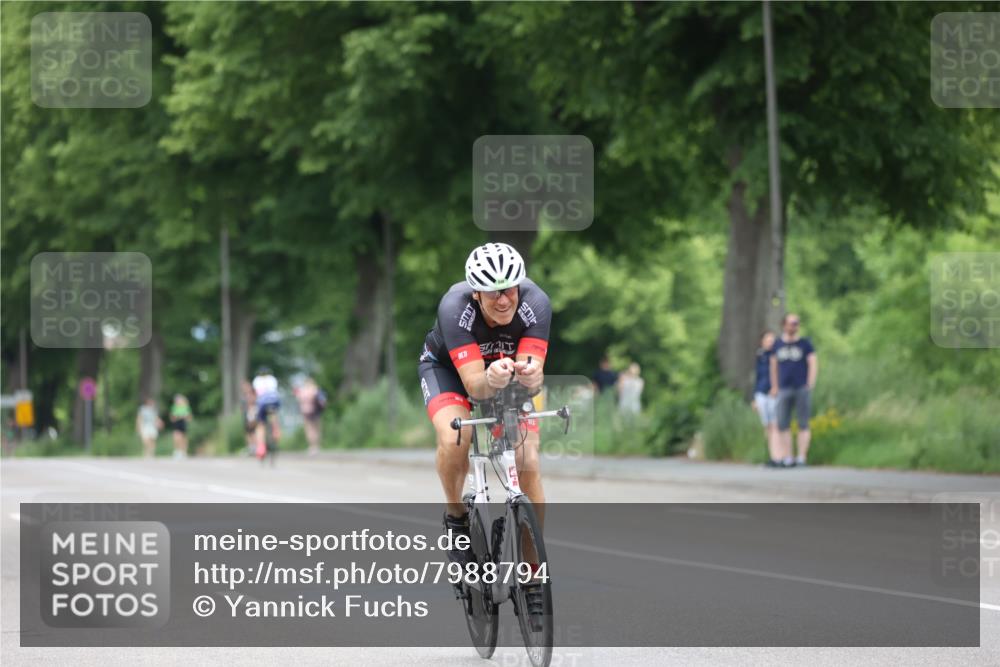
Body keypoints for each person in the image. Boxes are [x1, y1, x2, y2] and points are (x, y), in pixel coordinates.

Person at [418, 243, 550, 564]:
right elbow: (475, 386)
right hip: (450, 371)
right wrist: (490, 378)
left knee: (526, 457)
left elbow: (532, 375)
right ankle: (456, 516)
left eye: (508, 290)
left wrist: (532, 377)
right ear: (476, 294)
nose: (503, 300)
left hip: (505, 371)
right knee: (455, 438)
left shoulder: (536, 303)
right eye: (492, 293)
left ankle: (532, 572)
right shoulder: (454, 308)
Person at [769, 313, 818, 467]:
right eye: (791, 323)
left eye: (796, 323)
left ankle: (801, 457)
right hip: (784, 388)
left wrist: (810, 383)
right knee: (783, 424)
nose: (794, 326)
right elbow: (773, 366)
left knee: (803, 422)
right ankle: (788, 456)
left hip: (801, 387)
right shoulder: (777, 344)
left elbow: (813, 362)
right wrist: (775, 386)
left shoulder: (805, 344)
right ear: (784, 325)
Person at [752, 331, 780, 467]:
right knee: (766, 425)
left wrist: (776, 387)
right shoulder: (760, 355)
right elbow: (757, 377)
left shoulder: (777, 356)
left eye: (772, 341)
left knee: (775, 424)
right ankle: (770, 455)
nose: (770, 343)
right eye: (767, 340)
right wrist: (754, 398)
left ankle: (777, 456)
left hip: (773, 393)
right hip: (761, 392)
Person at [252, 367, 281, 459]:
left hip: (263, 402)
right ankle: (275, 429)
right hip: (274, 400)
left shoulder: (257, 380)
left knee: (260, 425)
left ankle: (261, 447)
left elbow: (257, 394)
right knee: (274, 413)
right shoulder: (272, 379)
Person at [295, 377, 327, 455]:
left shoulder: (302, 390)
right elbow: (322, 400)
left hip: (305, 412)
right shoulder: (315, 389)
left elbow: (298, 399)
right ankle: (316, 446)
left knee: (309, 429)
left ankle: (311, 446)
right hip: (315, 411)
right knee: (317, 429)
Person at [168, 394, 192, 459]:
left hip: (183, 423)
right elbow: (172, 417)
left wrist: (185, 417)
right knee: (176, 437)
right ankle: (177, 451)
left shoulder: (186, 407)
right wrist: (177, 417)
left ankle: (183, 452)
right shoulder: (174, 407)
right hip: (177, 423)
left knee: (183, 438)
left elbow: (189, 417)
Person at [240, 380, 258, 456]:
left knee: (253, 431)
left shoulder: (252, 394)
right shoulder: (244, 395)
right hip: (246, 414)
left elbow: (252, 403)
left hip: (251, 413)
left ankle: (255, 448)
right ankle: (251, 448)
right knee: (248, 432)